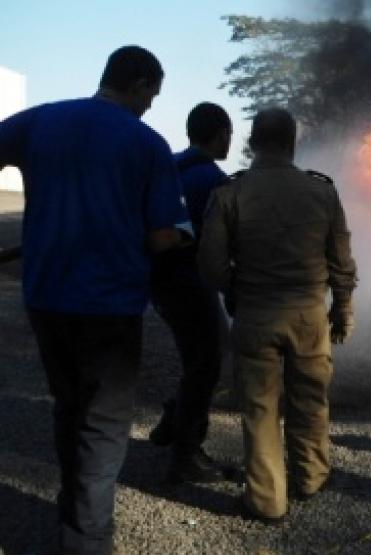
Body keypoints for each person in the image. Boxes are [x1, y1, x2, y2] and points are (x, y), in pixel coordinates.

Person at [0, 46, 186, 555]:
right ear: (141, 84)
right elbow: (163, 238)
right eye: (153, 95)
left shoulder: (40, 121)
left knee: (68, 405)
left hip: (46, 297)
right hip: (110, 305)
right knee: (102, 423)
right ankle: (86, 539)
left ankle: (72, 507)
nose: (150, 106)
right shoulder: (147, 145)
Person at [197, 107, 357, 525]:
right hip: (308, 315)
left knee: (260, 408)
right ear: (292, 143)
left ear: (252, 143)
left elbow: (211, 265)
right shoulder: (322, 191)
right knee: (310, 400)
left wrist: (236, 291)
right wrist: (342, 309)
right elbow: (341, 261)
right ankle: (310, 478)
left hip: (255, 314)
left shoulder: (229, 192)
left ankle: (267, 501)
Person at [147, 102, 233, 483]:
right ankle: (186, 452)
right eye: (229, 133)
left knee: (201, 358)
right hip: (190, 283)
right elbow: (218, 241)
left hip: (161, 282)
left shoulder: (172, 166)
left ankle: (175, 416)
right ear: (220, 134)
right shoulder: (213, 179)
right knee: (206, 365)